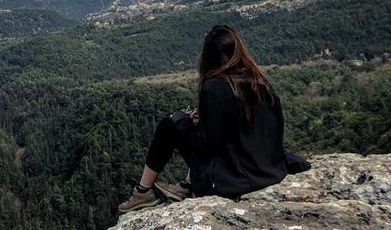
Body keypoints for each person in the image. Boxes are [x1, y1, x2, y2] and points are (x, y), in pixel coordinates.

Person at [119, 24, 288, 213]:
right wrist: (204, 120)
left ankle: (143, 191)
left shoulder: (215, 87)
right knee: (189, 124)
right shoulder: (259, 81)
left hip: (233, 177)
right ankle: (185, 185)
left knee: (170, 124)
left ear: (208, 56)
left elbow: (209, 144)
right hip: (268, 167)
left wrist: (182, 120)